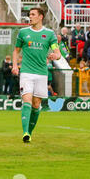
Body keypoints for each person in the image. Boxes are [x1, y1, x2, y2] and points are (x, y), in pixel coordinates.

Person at [12, 8, 61, 143]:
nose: (30, 17)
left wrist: (55, 55)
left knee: (36, 104)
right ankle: (25, 132)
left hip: (41, 74)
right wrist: (15, 65)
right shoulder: (23, 32)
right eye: (29, 15)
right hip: (26, 72)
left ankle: (30, 132)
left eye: (33, 14)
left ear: (40, 17)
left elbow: (57, 52)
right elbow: (16, 51)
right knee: (26, 100)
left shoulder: (50, 34)